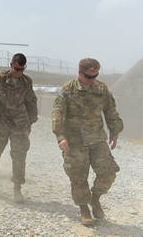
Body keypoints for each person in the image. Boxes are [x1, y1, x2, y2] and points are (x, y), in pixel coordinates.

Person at [52, 58, 123, 225]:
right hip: (74, 141)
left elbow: (111, 111)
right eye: (88, 76)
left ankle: (95, 198)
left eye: (95, 75)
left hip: (97, 139)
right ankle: (84, 208)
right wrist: (60, 137)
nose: (92, 80)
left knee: (108, 172)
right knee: (78, 177)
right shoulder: (67, 90)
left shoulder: (102, 88)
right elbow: (57, 114)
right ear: (79, 72)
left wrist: (115, 131)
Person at [0, 53, 38, 204]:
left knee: (19, 156)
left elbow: (31, 101)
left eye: (22, 69)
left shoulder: (26, 81)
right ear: (11, 65)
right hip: (1, 122)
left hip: (19, 123)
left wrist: (30, 121)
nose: (19, 72)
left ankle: (17, 188)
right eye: (16, 68)